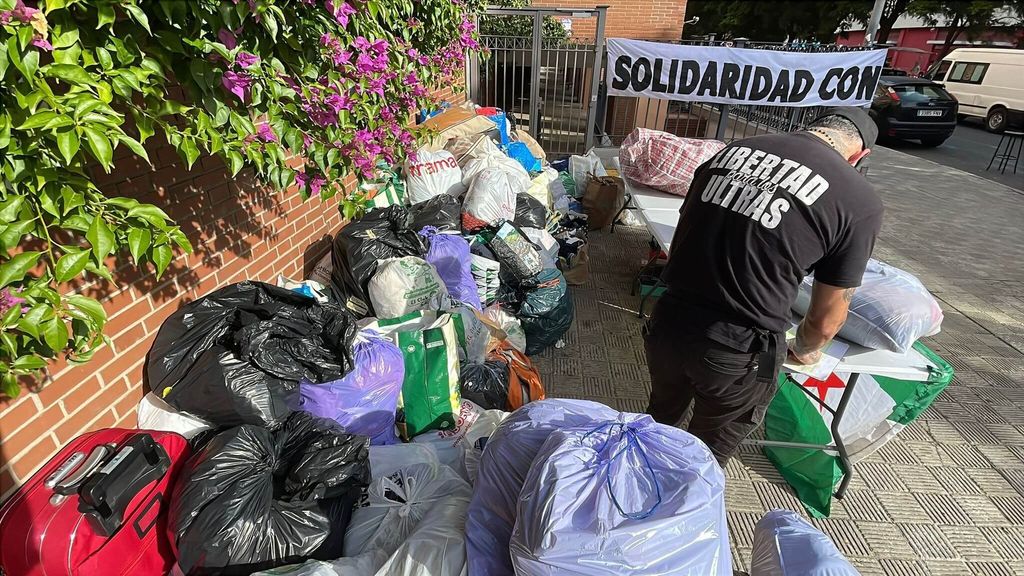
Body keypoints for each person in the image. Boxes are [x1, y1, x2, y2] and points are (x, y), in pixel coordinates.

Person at [644, 107, 884, 466]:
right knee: (702, 462)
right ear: (859, 155)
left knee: (656, 424)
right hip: (737, 349)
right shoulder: (858, 198)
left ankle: (628, 489)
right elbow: (825, 322)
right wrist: (804, 350)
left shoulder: (730, 152)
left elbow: (689, 233)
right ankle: (672, 511)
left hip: (668, 323)